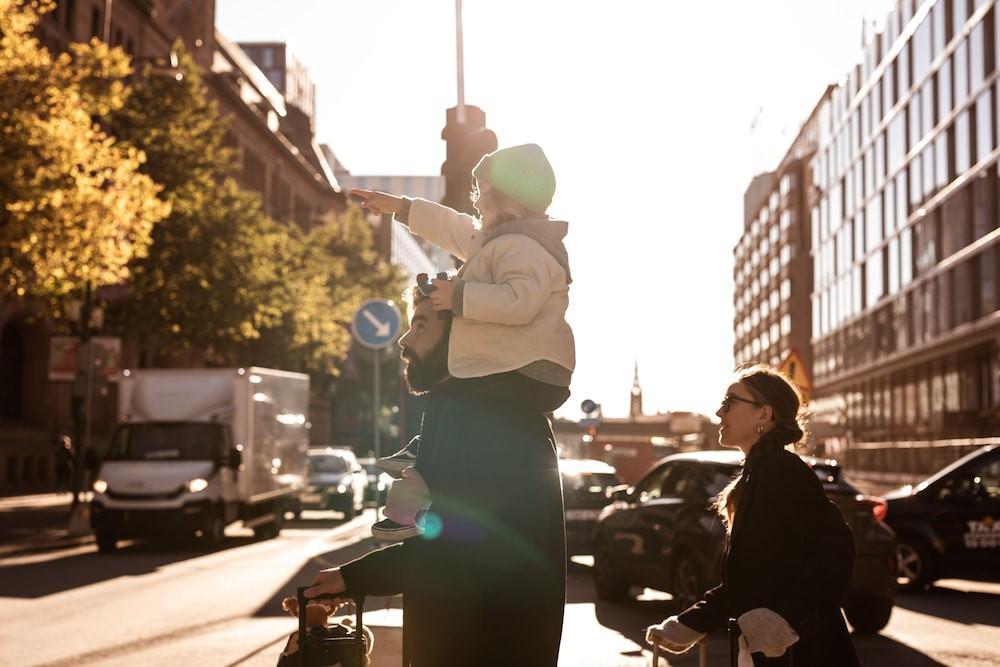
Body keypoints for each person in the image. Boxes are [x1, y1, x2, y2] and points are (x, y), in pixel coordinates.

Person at [303, 285, 567, 667]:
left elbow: (462, 552)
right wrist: (352, 577)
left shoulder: (494, 420)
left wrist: (357, 578)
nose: (404, 340)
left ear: (463, 337)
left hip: (483, 648)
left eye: (422, 326)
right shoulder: (468, 410)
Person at [353, 143, 575, 539]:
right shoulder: (496, 240)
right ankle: (420, 473)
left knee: (454, 399)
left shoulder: (525, 247)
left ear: (504, 198)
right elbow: (452, 226)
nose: (476, 202)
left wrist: (458, 297)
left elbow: (519, 302)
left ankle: (423, 470)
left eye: (481, 192)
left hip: (528, 368)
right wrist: (401, 208)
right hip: (513, 365)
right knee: (449, 399)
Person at [646, 365, 859, 666]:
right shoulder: (756, 476)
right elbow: (747, 580)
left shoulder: (783, 473)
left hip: (807, 652)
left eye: (730, 402)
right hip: (779, 651)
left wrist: (789, 622)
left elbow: (838, 551)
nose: (720, 412)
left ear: (764, 414)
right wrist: (689, 625)